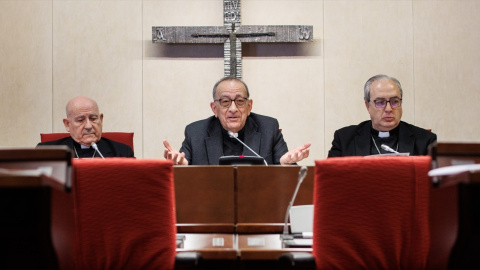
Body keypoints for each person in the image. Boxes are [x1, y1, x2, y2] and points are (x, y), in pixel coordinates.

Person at [163, 77, 311, 165]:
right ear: (214, 108)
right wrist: (181, 167)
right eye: (225, 101)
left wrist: (284, 165)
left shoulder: (269, 128)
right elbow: (184, 165)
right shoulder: (195, 133)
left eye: (240, 101)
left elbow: (286, 172)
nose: (233, 108)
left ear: (249, 106)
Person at [328, 74, 437, 157]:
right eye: (380, 102)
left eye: (395, 101)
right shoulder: (344, 139)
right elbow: (330, 179)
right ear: (367, 106)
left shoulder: (425, 140)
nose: (389, 109)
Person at [37, 96, 134, 158]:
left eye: (93, 118)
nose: (88, 126)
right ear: (67, 124)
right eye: (80, 120)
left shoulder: (122, 152)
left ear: (101, 119)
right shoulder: (45, 152)